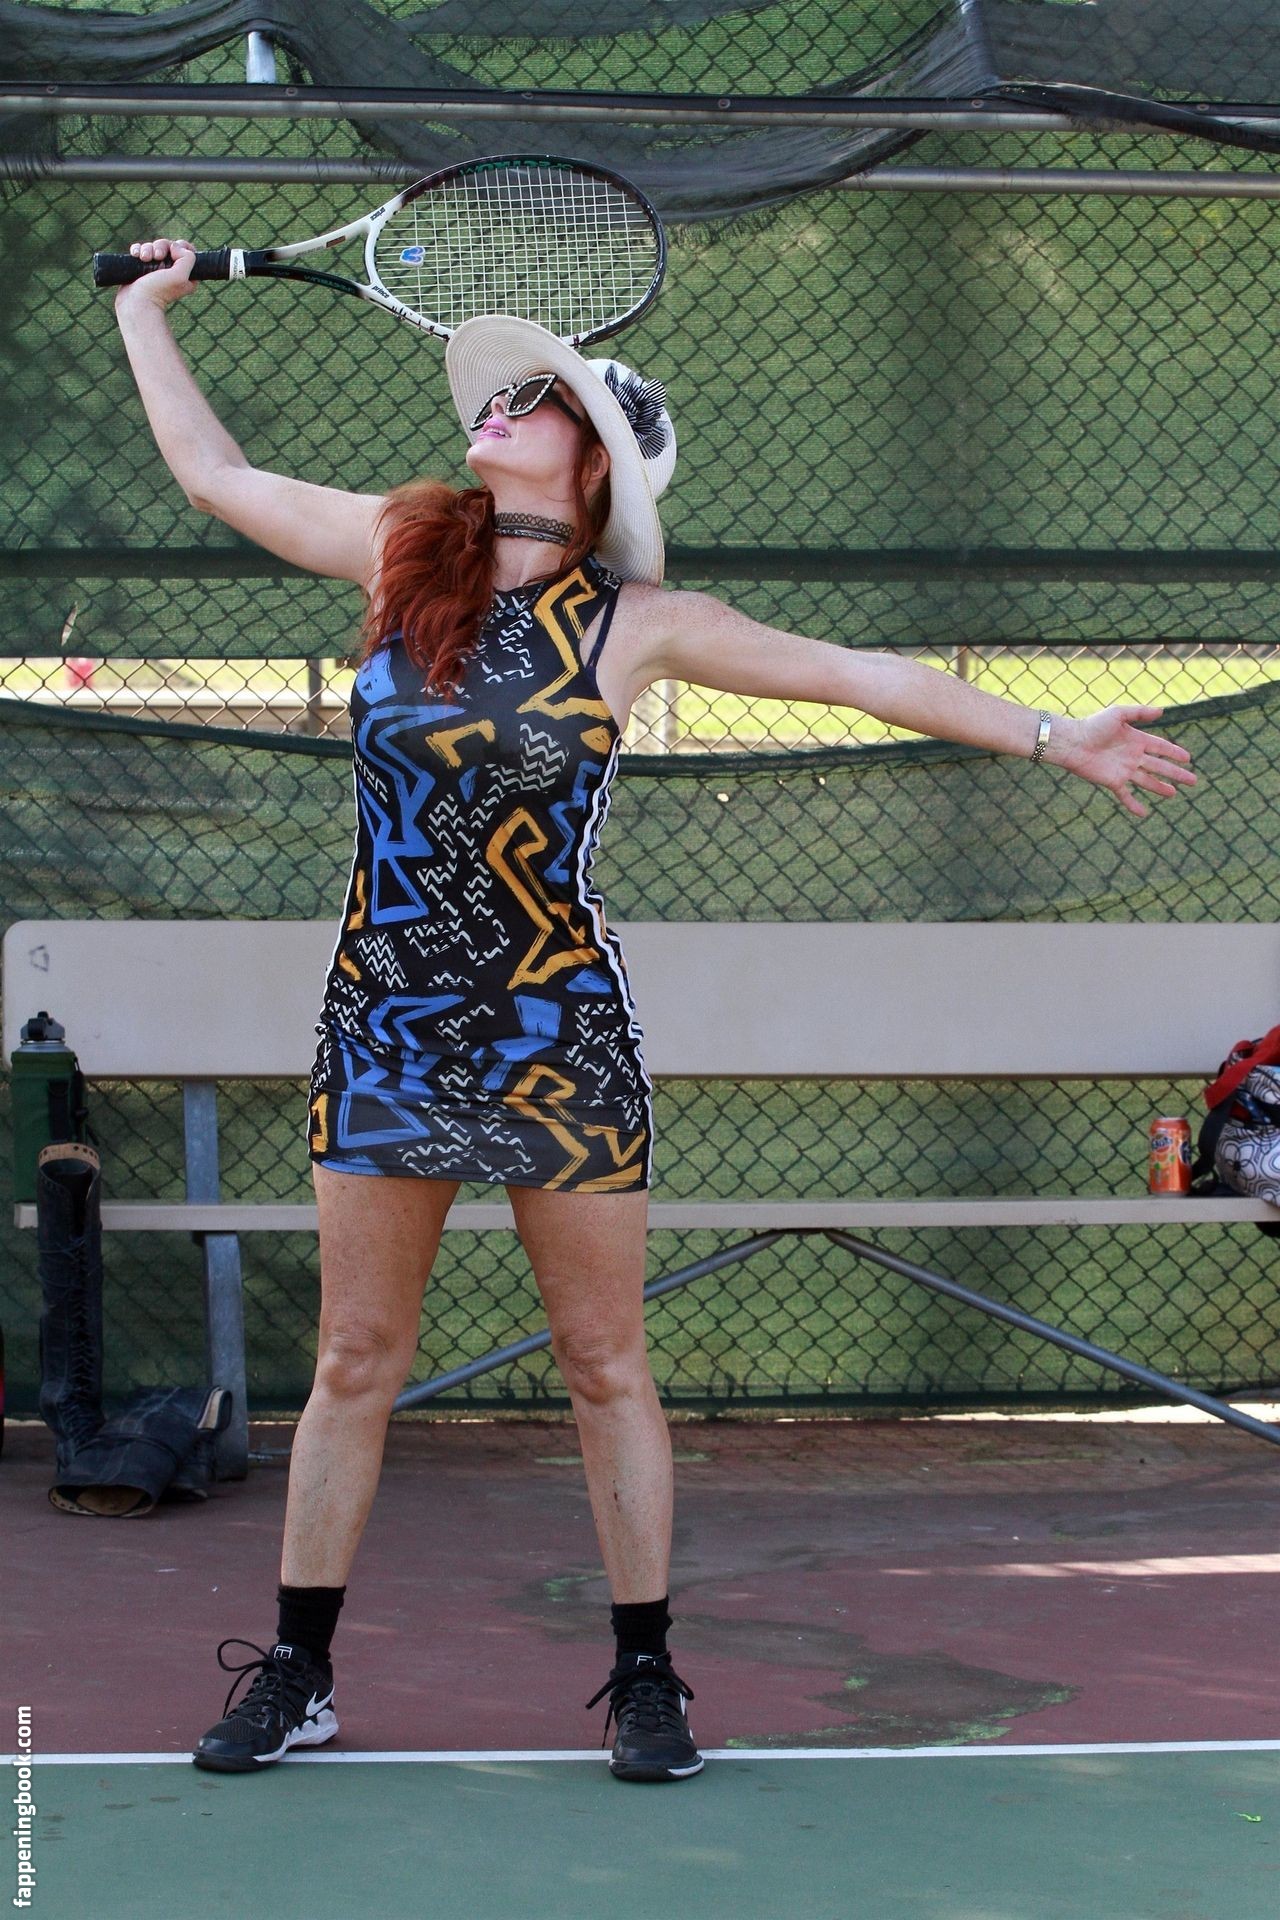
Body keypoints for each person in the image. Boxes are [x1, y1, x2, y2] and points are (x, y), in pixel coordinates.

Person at [113, 235, 1197, 1784]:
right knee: (355, 1360)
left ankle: (643, 1675)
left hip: (558, 1036)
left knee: (604, 1363)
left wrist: (1051, 733)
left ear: (598, 463)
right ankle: (301, 1669)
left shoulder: (639, 623)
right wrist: (145, 312)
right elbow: (214, 473)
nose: (500, 404)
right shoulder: (397, 549)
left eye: (539, 396)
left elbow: (859, 674)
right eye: (503, 392)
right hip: (387, 1026)